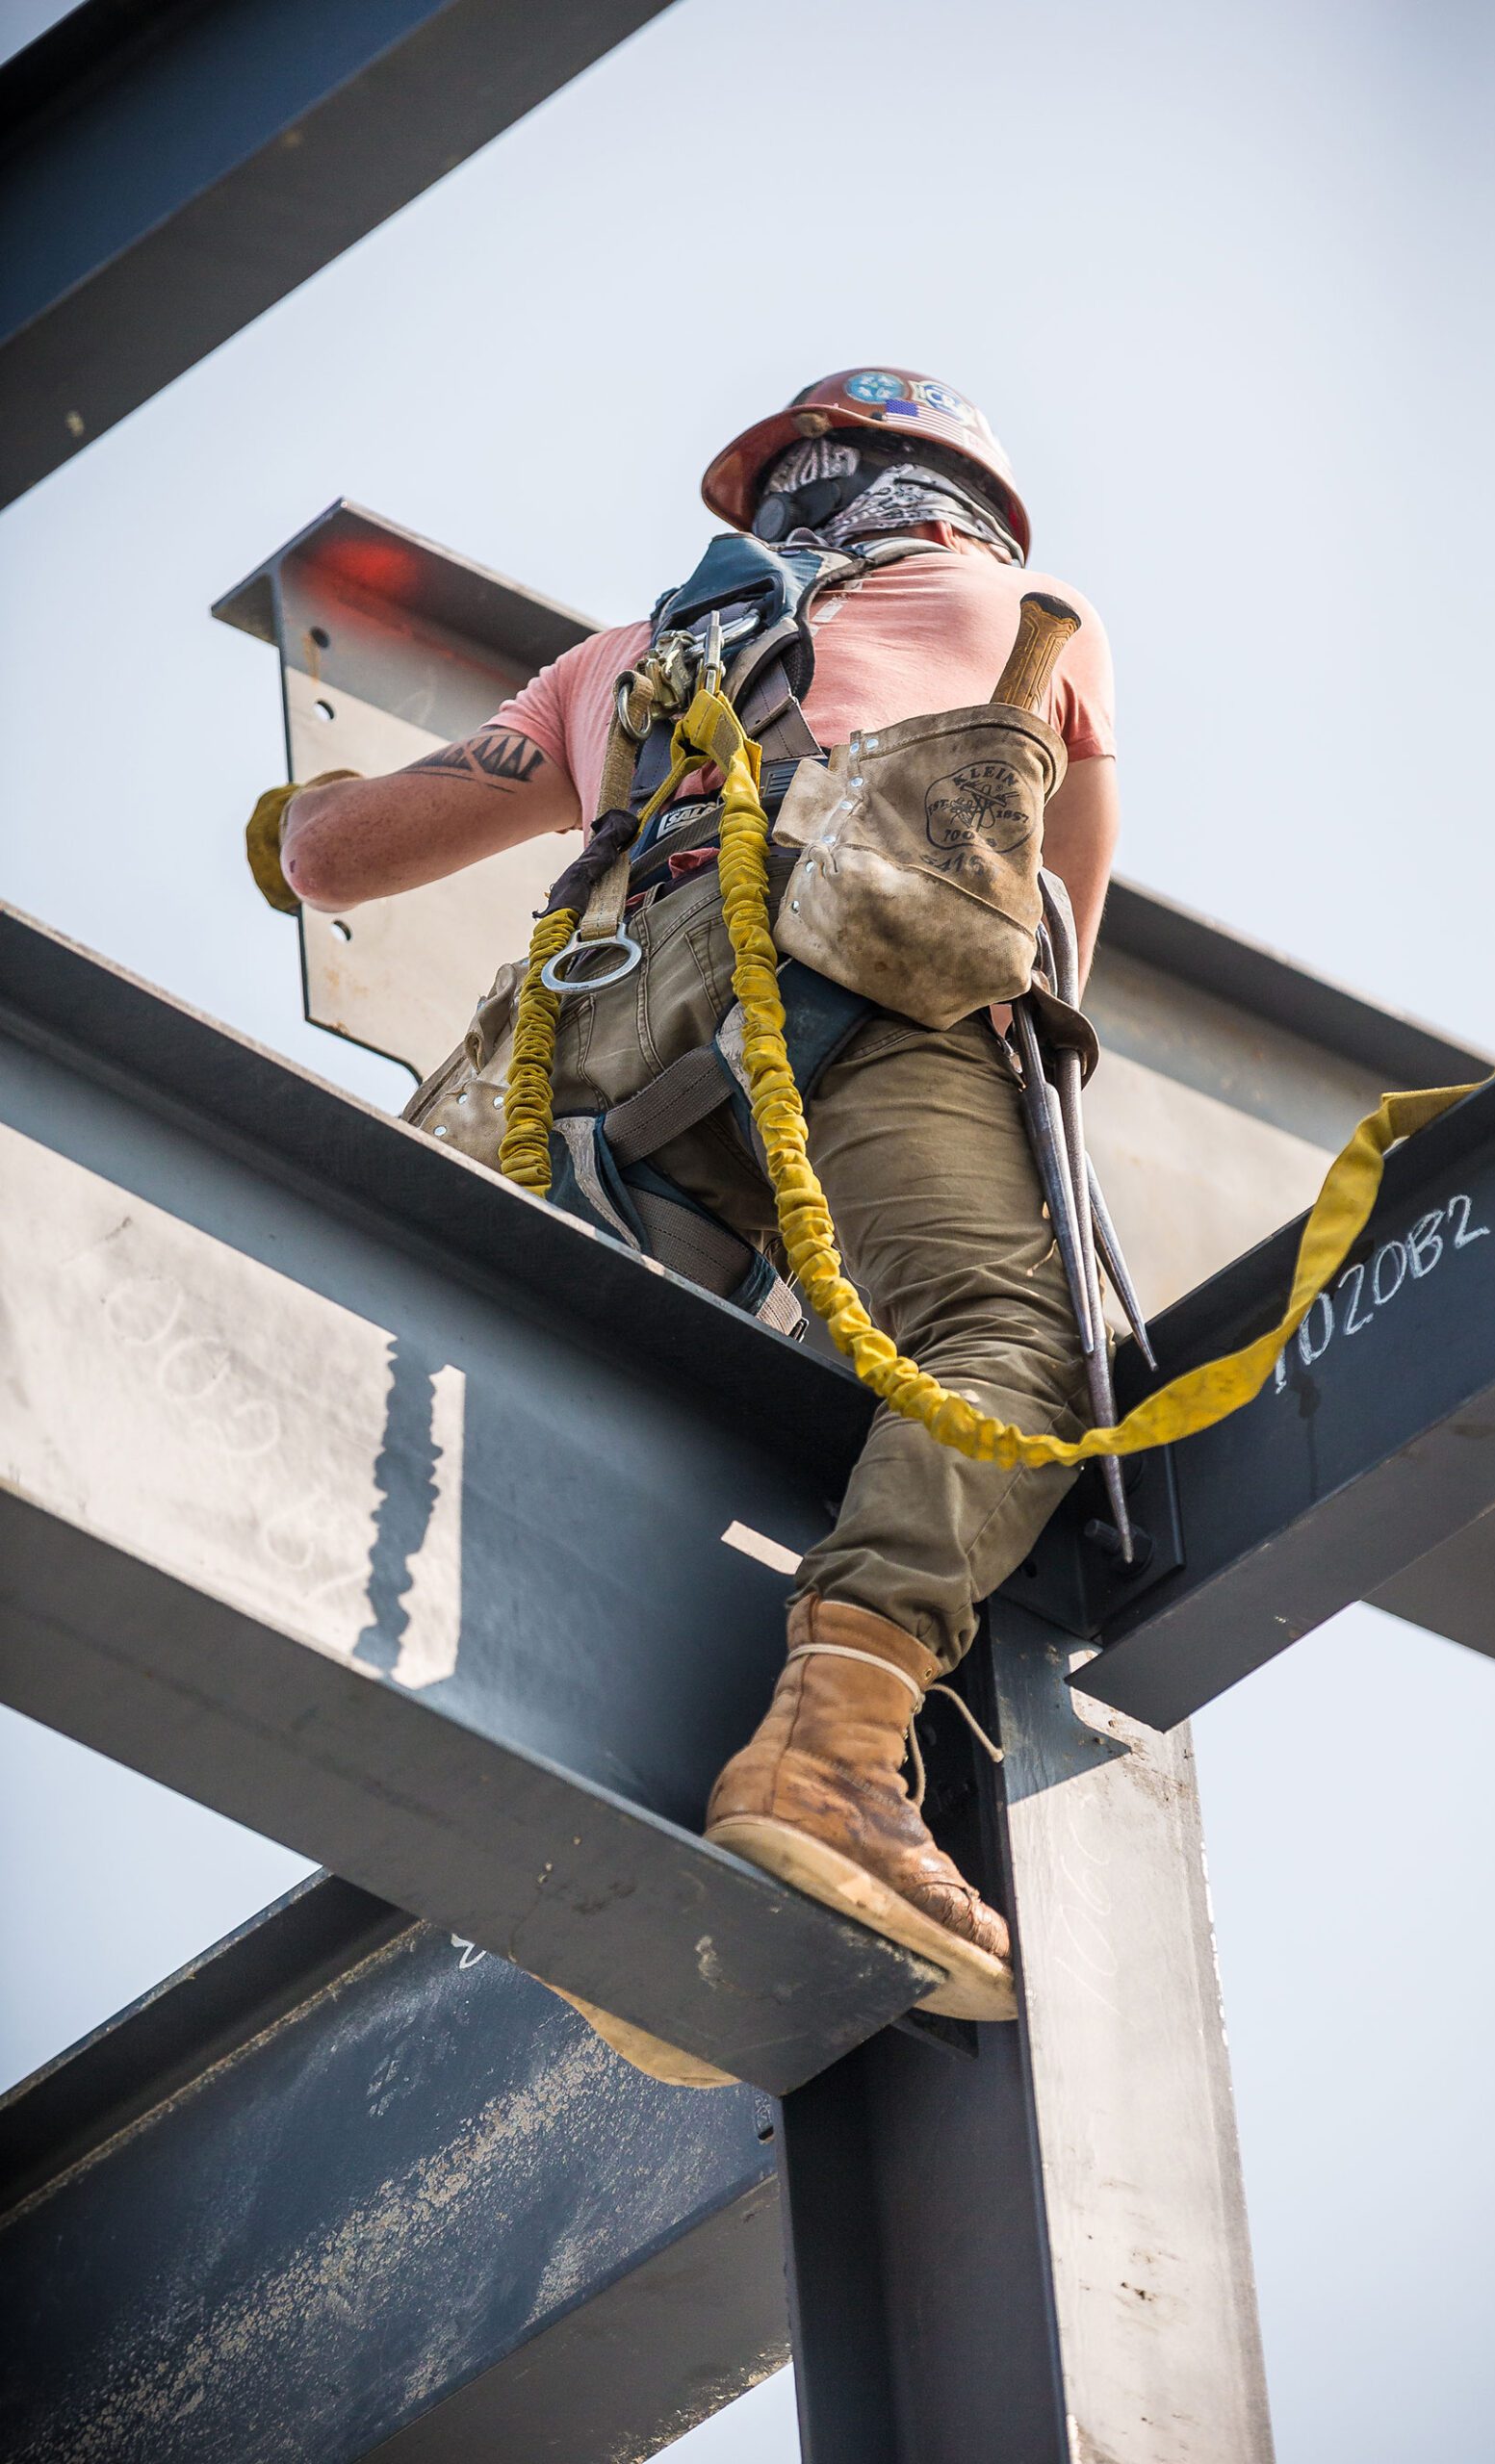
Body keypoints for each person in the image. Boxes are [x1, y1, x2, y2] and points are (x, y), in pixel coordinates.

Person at [279, 370, 1121, 2030]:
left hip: (604, 1047)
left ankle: (598, 1855)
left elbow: (338, 858)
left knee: (611, 1438)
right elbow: (1059, 918)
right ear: (958, 496)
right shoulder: (1022, 610)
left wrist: (297, 817)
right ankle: (836, 1754)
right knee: (1012, 1340)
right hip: (862, 965)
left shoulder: (618, 667)